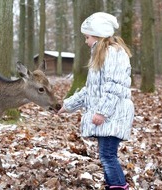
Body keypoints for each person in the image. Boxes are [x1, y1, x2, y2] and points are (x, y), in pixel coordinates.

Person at [57, 12, 134, 190]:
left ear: (98, 34)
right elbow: (90, 91)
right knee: (106, 155)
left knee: (107, 155)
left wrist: (102, 112)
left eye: (87, 37)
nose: (86, 41)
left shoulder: (113, 53)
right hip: (109, 115)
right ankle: (112, 185)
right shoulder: (101, 54)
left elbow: (115, 85)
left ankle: (118, 186)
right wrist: (67, 105)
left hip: (113, 114)